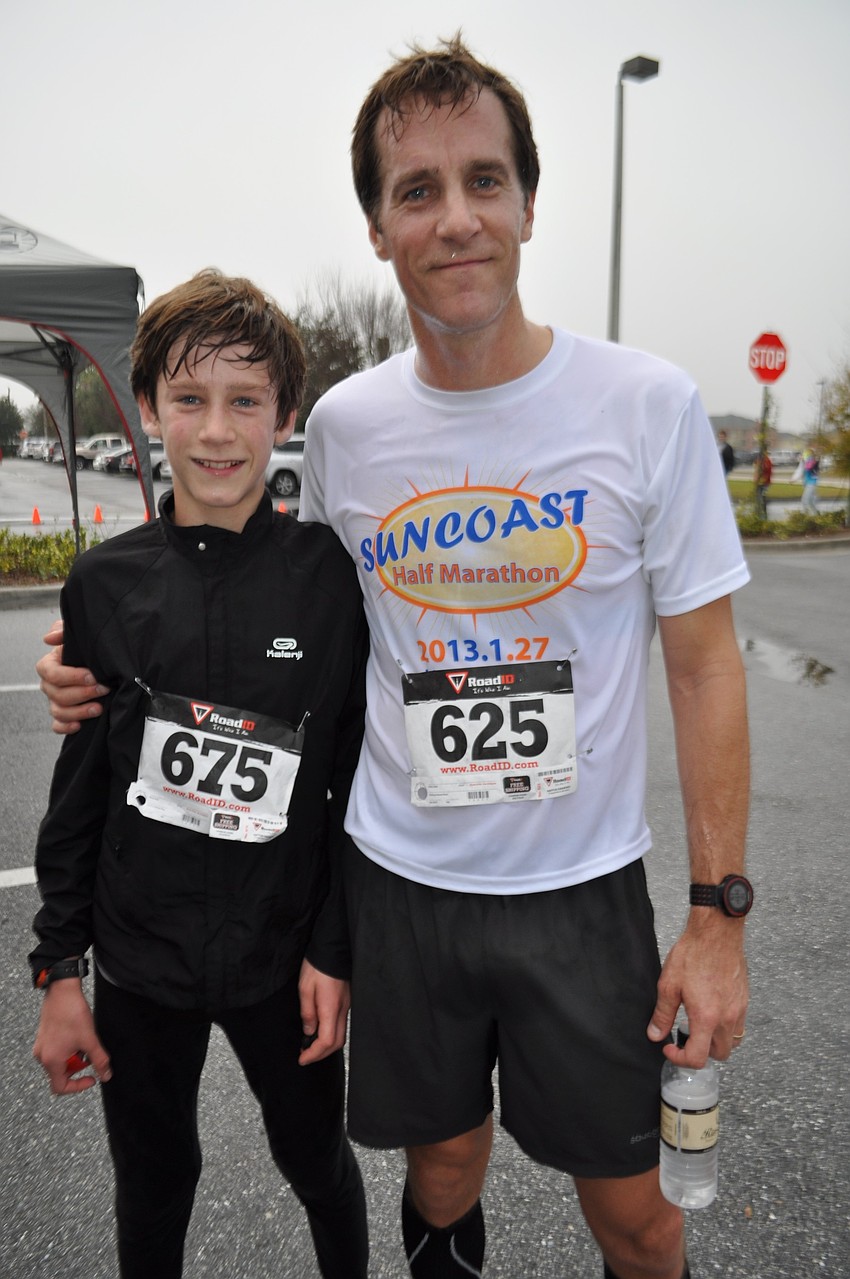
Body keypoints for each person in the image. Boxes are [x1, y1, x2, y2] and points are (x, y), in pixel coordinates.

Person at [36, 37, 752, 1279]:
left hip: (581, 889)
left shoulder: (649, 405)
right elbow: (278, 617)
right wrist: (88, 661)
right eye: (417, 189)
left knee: (638, 1217)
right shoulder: (351, 427)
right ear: (378, 226)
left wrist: (716, 917)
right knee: (441, 1170)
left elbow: (704, 668)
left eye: (484, 180)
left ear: (528, 201)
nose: (455, 218)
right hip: (402, 887)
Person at [29, 270, 369, 1279]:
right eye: (189, 398)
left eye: (245, 400)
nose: (217, 431)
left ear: (285, 415)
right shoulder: (103, 581)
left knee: (316, 1160)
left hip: (283, 955)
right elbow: (80, 791)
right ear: (146, 409)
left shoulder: (329, 578)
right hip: (141, 961)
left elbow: (351, 778)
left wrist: (335, 950)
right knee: (153, 1180)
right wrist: (59, 970)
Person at [754, 448, 772, 518]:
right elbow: (756, 470)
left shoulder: (767, 461)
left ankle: (763, 513)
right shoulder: (759, 461)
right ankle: (759, 512)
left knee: (762, 497)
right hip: (760, 482)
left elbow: (766, 470)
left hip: (765, 483)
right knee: (759, 497)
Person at [800, 447, 819, 514]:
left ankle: (805, 515)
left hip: (811, 484)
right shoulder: (808, 462)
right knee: (810, 502)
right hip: (808, 484)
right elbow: (805, 471)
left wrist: (804, 461)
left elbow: (809, 467)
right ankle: (816, 514)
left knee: (805, 500)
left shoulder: (813, 463)